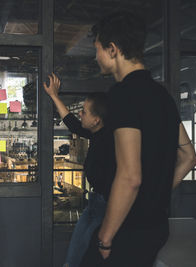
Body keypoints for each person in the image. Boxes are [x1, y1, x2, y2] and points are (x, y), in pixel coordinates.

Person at [80, 10, 196, 267]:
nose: (95, 56)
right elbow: (189, 158)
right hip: (156, 227)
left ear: (112, 49)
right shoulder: (162, 96)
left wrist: (105, 237)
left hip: (126, 228)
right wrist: (153, 197)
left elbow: (130, 176)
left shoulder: (123, 95)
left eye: (97, 48)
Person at [43, 74, 115, 267]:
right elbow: (72, 122)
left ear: (97, 120)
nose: (80, 114)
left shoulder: (109, 142)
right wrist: (54, 96)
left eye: (84, 111)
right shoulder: (96, 133)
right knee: (75, 254)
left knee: (87, 255)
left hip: (106, 206)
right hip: (94, 202)